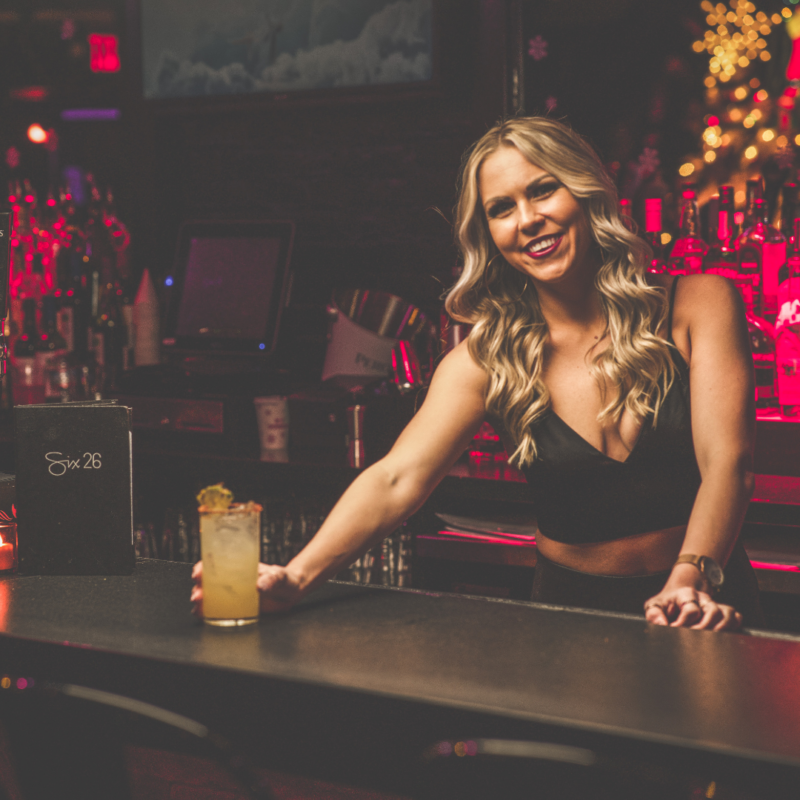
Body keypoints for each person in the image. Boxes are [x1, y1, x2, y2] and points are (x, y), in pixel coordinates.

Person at [192, 117, 762, 631]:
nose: (528, 219)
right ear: (488, 232)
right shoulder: (486, 359)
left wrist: (692, 576)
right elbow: (396, 480)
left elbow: (727, 463)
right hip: (570, 620)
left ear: (585, 192)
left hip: (704, 603)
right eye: (502, 208)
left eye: (543, 190)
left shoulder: (698, 304)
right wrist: (294, 578)